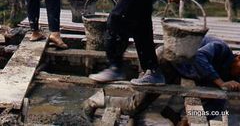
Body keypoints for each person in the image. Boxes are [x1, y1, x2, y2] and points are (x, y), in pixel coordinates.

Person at [96, 36, 240, 123]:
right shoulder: (220, 48)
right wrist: (220, 82)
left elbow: (217, 104)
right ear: (238, 57)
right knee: (133, 107)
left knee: (217, 105)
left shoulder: (231, 76)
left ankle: (173, 114)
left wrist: (188, 120)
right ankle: (98, 99)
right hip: (165, 60)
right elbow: (199, 56)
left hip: (181, 70)